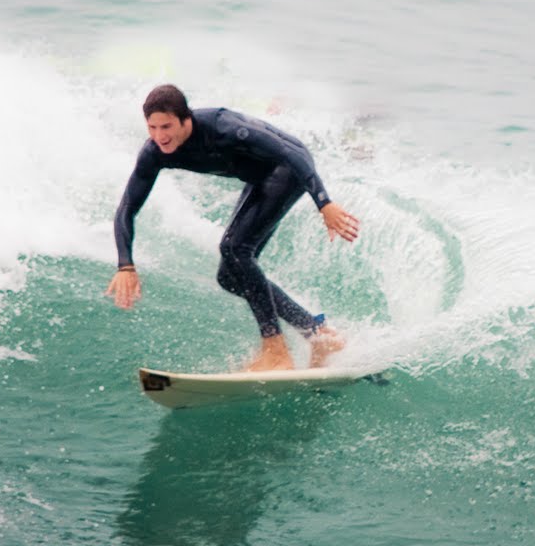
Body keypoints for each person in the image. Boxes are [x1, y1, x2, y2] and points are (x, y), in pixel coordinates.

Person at [106, 84, 360, 372]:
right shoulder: (155, 153)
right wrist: (125, 265)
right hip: (261, 179)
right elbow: (127, 208)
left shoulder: (223, 128)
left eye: (166, 126)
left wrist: (324, 203)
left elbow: (292, 153)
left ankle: (275, 350)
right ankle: (319, 335)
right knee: (229, 276)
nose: (159, 136)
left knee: (234, 248)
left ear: (185, 119)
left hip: (288, 170)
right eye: (152, 127)